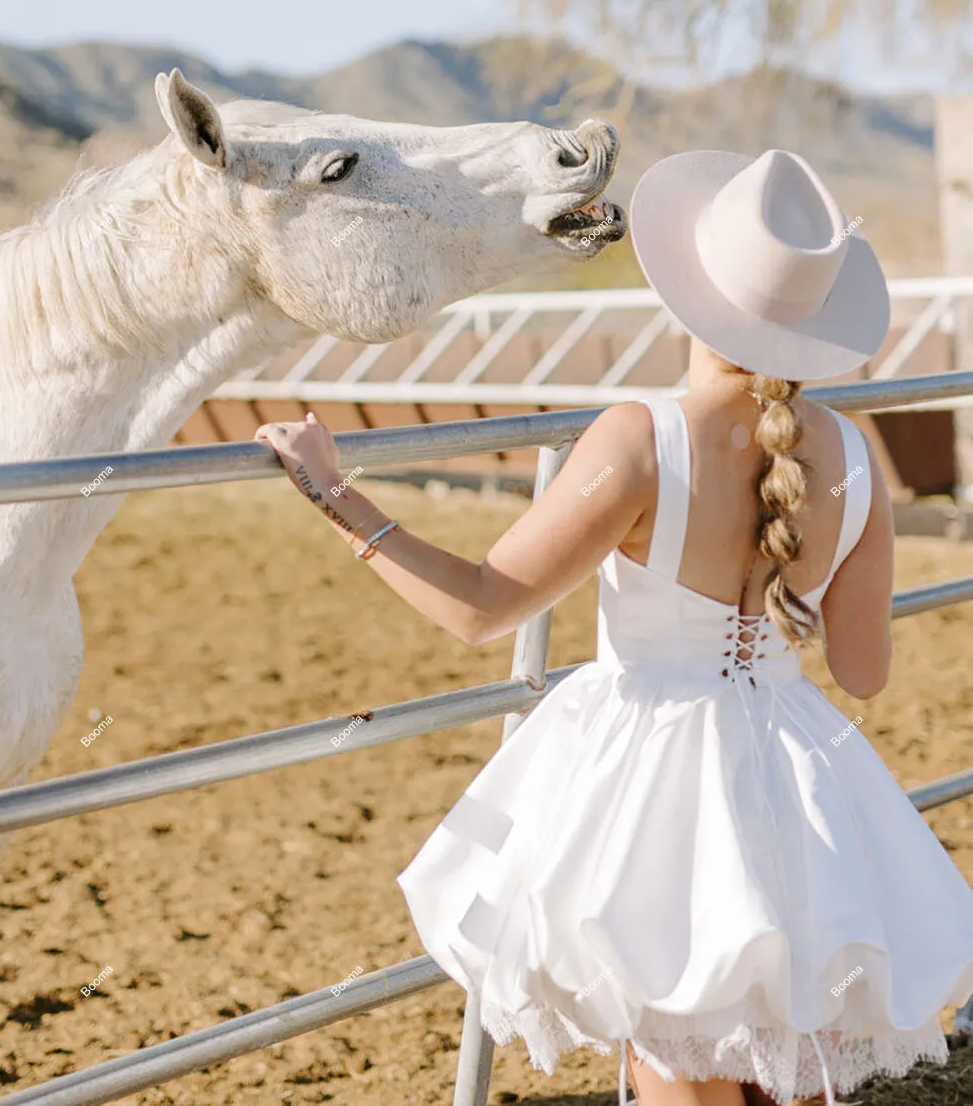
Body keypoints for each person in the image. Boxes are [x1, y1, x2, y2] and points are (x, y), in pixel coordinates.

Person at [256, 149, 973, 1106]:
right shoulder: (851, 458)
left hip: (655, 795)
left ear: (689, 294)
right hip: (803, 791)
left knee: (679, 1051)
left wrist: (334, 494)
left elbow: (481, 605)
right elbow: (863, 670)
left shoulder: (639, 438)